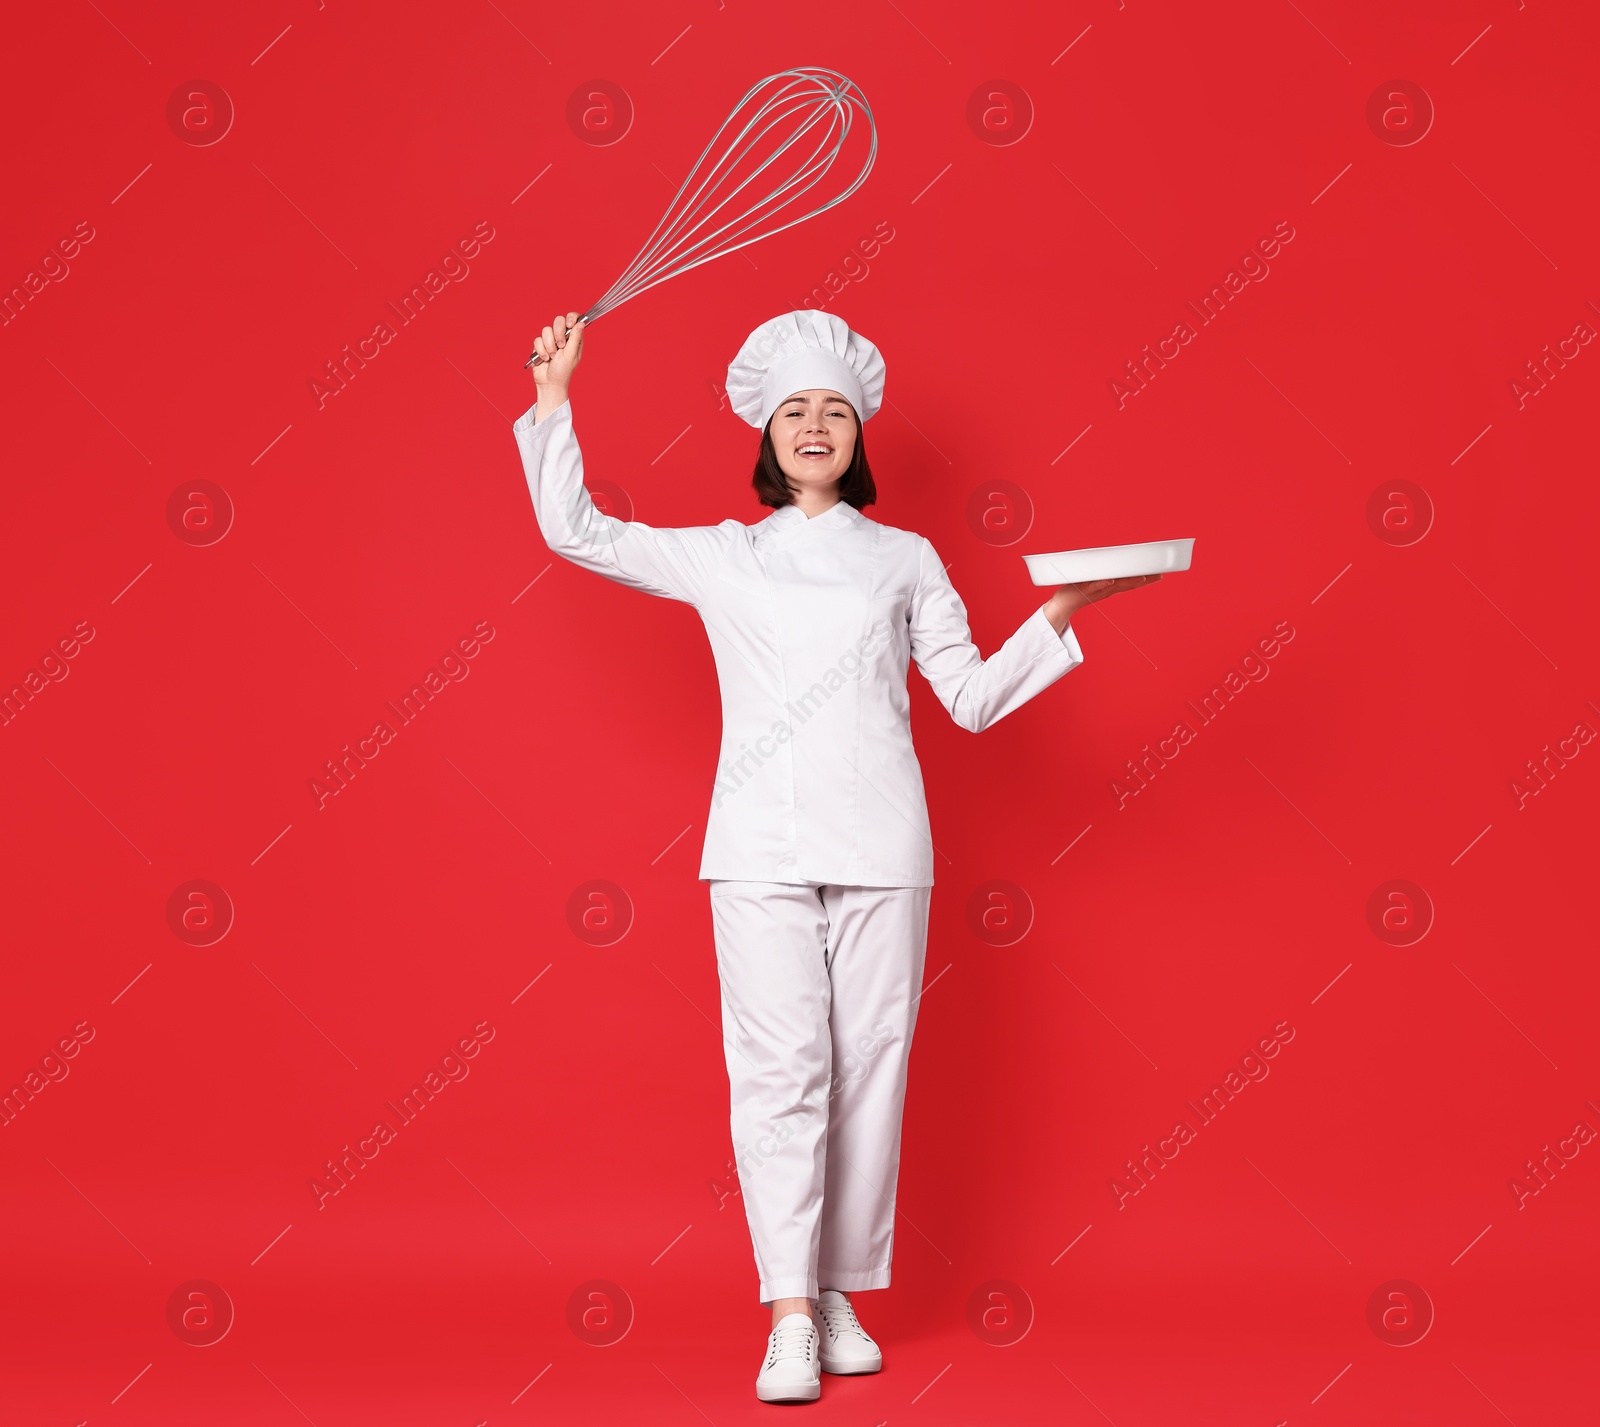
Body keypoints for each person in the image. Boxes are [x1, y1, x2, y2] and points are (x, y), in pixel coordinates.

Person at [515, 309, 1160, 1404]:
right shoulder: (723, 554)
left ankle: (841, 1289)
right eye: (795, 411)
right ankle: (788, 1309)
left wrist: (1064, 610)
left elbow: (967, 697)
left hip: (883, 846)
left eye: (835, 411)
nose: (816, 425)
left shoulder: (905, 558)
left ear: (859, 436)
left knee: (871, 1070)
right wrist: (552, 397)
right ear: (765, 437)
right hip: (758, 845)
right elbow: (575, 528)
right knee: (779, 1076)